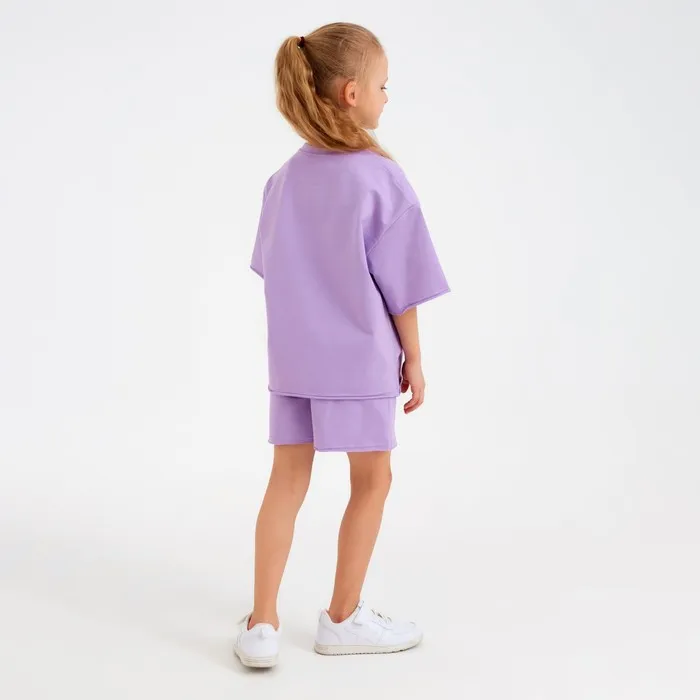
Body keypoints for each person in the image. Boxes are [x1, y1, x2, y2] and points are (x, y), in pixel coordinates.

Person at [234, 22, 450, 668]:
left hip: (294, 363)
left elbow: (272, 268)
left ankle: (262, 625)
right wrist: (414, 358)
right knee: (373, 479)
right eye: (383, 85)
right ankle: (342, 616)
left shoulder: (282, 181)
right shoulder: (381, 179)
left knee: (285, 481)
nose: (387, 96)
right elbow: (402, 286)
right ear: (352, 92)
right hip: (360, 363)